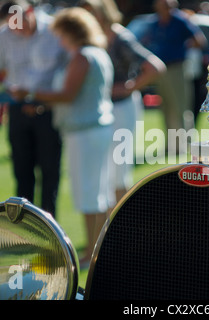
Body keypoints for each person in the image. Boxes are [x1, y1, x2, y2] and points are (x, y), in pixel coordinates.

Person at [11, 7, 116, 266]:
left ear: (71, 32)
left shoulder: (82, 56)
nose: (58, 40)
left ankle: (93, 253)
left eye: (60, 34)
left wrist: (31, 93)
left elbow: (68, 94)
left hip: (85, 132)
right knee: (98, 192)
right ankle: (98, 249)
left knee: (89, 193)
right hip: (93, 129)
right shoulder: (95, 53)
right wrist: (41, 103)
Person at [80, 0, 166, 203]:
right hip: (101, 110)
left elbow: (155, 67)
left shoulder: (120, 37)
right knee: (103, 172)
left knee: (119, 170)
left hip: (122, 108)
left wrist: (128, 87)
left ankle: (119, 224)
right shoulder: (91, 38)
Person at [0, 0, 66, 217]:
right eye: (12, 25)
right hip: (18, 109)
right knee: (21, 170)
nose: (17, 30)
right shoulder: (4, 35)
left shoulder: (54, 29)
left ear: (30, 12)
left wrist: (42, 99)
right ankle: (25, 227)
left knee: (50, 171)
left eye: (20, 23)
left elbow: (69, 67)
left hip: (48, 108)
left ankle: (51, 229)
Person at [138, 0, 206, 153]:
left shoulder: (181, 20)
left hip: (177, 67)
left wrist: (180, 48)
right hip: (161, 69)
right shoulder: (155, 22)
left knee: (180, 107)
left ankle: (186, 145)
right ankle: (171, 145)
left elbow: (199, 41)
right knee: (166, 107)